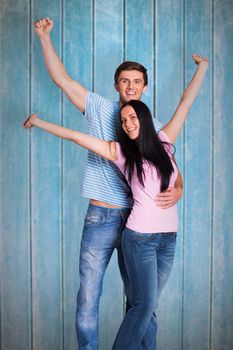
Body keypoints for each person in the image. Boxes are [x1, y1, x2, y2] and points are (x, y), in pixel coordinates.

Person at [24, 53, 208, 349]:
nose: (128, 122)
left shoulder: (161, 136)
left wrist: (181, 189)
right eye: (125, 81)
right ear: (116, 85)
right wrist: (40, 122)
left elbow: (184, 113)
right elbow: (73, 130)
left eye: (137, 82)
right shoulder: (116, 143)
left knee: (144, 303)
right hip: (110, 219)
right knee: (95, 295)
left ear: (145, 89)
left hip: (158, 233)